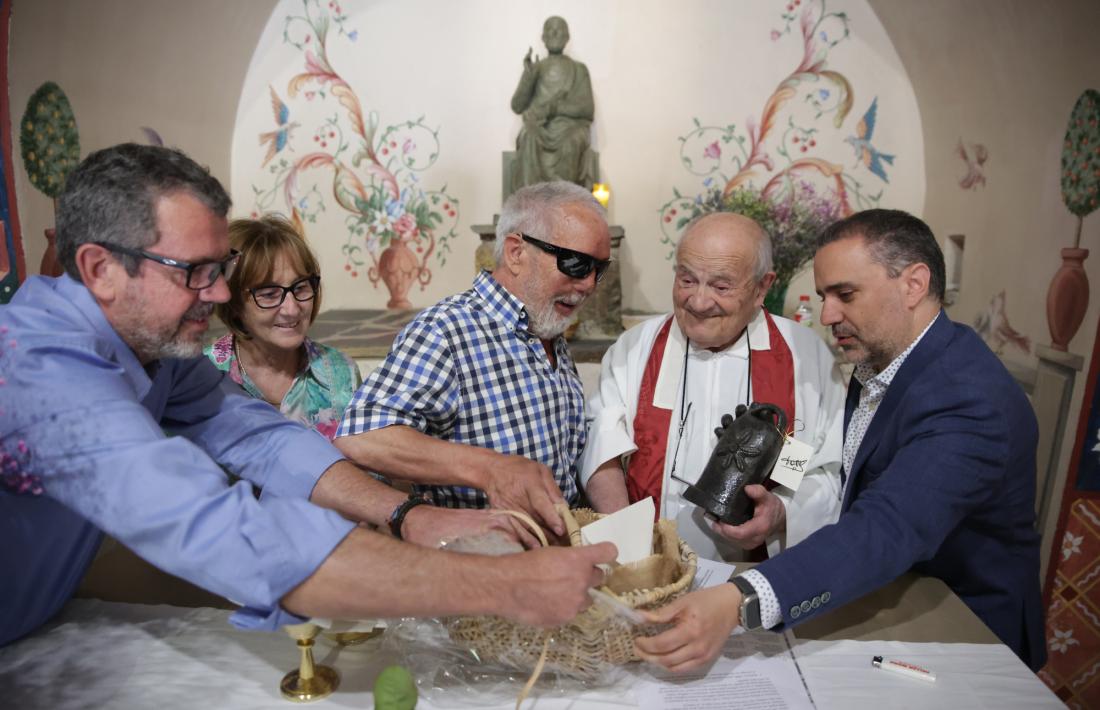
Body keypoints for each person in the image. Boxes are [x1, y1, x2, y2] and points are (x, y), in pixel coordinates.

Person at [0, 143, 616, 647]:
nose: (219, 297)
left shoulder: (157, 352)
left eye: (220, 269)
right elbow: (221, 529)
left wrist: (408, 514)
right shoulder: (41, 375)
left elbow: (264, 439)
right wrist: (502, 587)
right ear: (101, 269)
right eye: (195, 273)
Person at [635, 209, 1046, 672]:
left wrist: (758, 562)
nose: (827, 315)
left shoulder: (963, 397)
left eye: (845, 294)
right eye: (688, 279)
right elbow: (823, 450)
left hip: (961, 632)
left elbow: (868, 506)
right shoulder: (879, 358)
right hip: (873, 592)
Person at [336, 181, 611, 536]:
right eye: (575, 263)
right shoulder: (447, 330)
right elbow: (363, 436)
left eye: (599, 270)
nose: (589, 284)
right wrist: (490, 469)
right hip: (480, 566)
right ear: (515, 252)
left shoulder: (546, 328)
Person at [580, 212, 844, 561]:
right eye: (687, 280)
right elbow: (603, 447)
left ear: (762, 287)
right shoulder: (635, 349)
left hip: (755, 570)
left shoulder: (803, 357)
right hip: (651, 562)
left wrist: (779, 510)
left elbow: (813, 457)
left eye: (721, 287)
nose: (699, 302)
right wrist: (630, 548)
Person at [205, 215, 360, 440]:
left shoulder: (340, 373)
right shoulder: (205, 374)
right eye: (269, 294)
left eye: (300, 288)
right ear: (234, 302)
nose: (292, 309)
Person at [510, 16, 596, 190]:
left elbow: (588, 109)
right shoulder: (536, 68)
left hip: (568, 128)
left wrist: (556, 108)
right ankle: (530, 202)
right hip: (540, 127)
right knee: (528, 136)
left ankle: (565, 202)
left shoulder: (579, 69)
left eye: (560, 30)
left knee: (571, 142)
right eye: (550, 29)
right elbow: (517, 106)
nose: (555, 33)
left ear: (567, 37)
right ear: (543, 37)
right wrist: (528, 77)